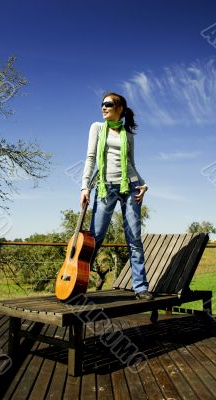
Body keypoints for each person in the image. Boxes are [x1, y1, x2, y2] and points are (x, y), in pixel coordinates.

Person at [80, 92, 153, 300]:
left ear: (119, 108)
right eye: (102, 104)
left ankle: (140, 287)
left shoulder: (128, 135)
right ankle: (79, 285)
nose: (103, 107)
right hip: (105, 188)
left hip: (130, 187)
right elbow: (90, 158)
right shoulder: (97, 128)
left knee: (134, 239)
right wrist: (84, 187)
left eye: (108, 104)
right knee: (94, 239)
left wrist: (143, 184)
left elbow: (132, 164)